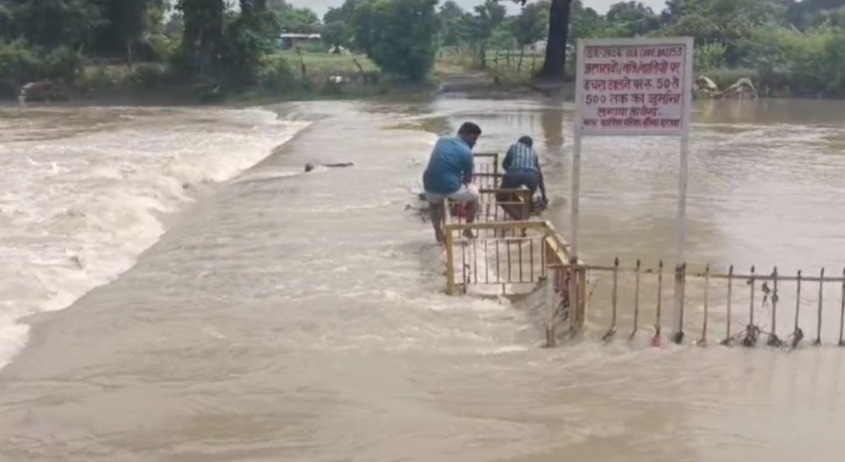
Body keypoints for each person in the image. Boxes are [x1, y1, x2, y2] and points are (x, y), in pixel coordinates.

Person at [422, 122, 482, 243]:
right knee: (474, 196)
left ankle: (438, 234)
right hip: (450, 187)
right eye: (474, 139)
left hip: (429, 183)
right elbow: (467, 180)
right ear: (466, 135)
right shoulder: (467, 152)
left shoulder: (442, 140)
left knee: (434, 205)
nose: (474, 143)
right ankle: (467, 230)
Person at [497, 135, 548, 220]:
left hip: (515, 173)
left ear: (519, 142)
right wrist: (544, 196)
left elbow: (504, 164)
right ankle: (526, 217)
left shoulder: (514, 147)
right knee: (528, 200)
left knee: (500, 197)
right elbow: (540, 175)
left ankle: (517, 217)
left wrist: (510, 174)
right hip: (532, 176)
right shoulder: (533, 152)